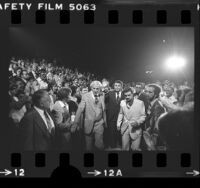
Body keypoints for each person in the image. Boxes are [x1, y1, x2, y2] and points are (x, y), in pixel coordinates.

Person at [72, 81, 107, 151]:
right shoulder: (85, 96)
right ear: (91, 88)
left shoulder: (102, 95)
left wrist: (105, 122)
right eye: (94, 88)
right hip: (88, 123)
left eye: (97, 88)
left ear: (100, 89)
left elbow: (103, 110)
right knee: (88, 146)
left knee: (99, 145)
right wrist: (75, 123)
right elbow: (80, 109)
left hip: (99, 123)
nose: (96, 90)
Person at [143, 84, 165, 150]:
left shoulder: (158, 106)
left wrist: (153, 141)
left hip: (153, 139)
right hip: (148, 135)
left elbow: (157, 126)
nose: (147, 94)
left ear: (156, 94)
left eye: (150, 92)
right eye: (146, 91)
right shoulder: (150, 103)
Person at [105, 80, 124, 149]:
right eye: (115, 85)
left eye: (119, 85)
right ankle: (113, 146)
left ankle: (121, 145)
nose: (117, 87)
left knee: (120, 132)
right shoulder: (110, 93)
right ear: (113, 86)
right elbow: (103, 100)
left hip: (121, 117)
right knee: (112, 132)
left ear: (121, 86)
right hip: (111, 116)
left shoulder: (124, 94)